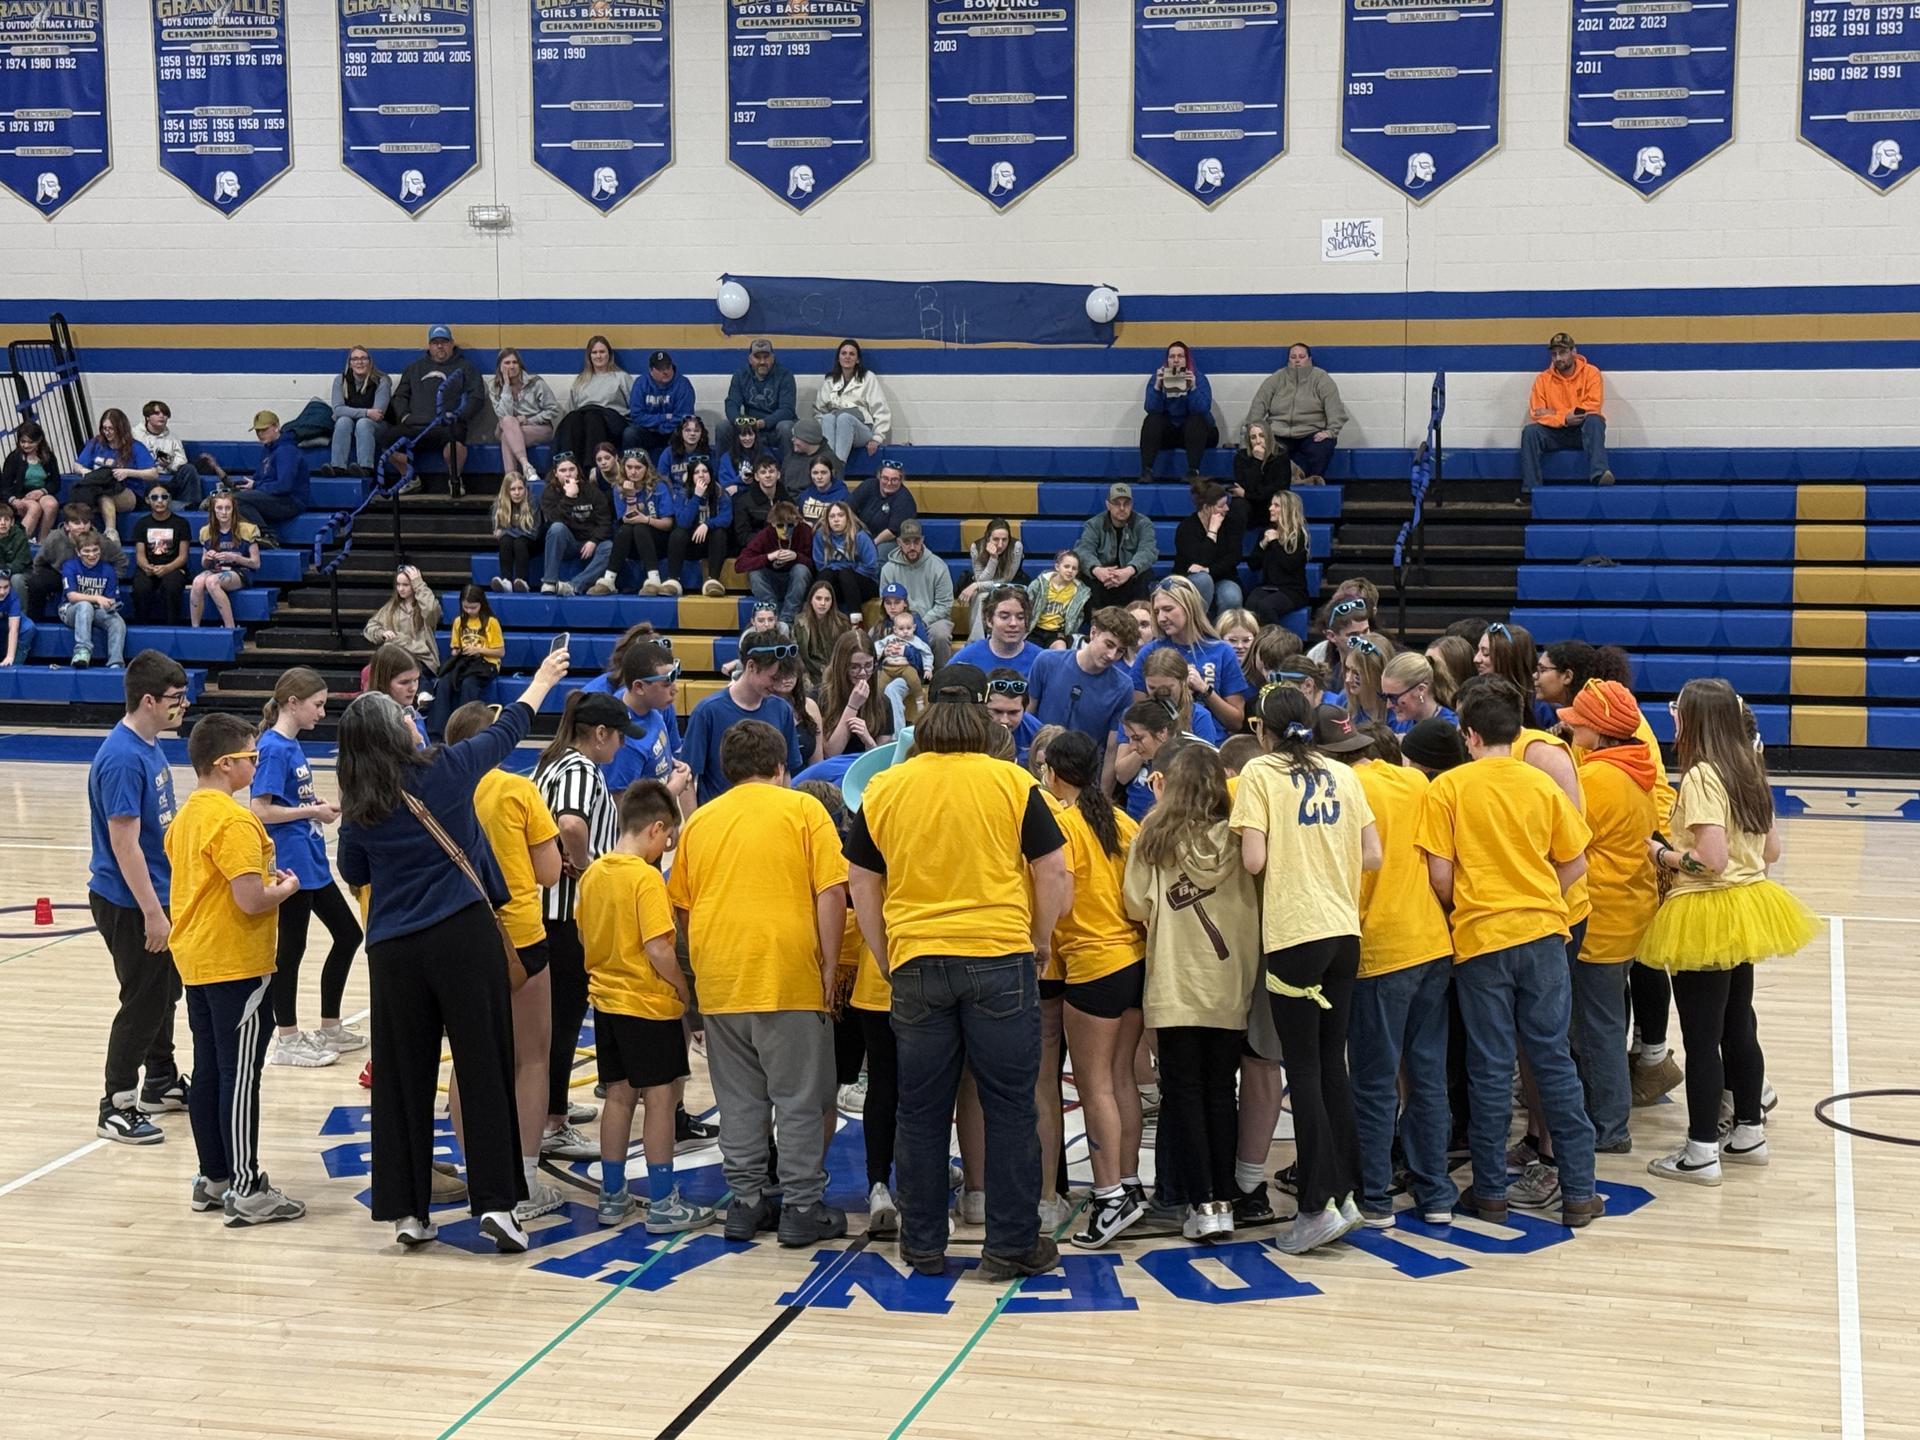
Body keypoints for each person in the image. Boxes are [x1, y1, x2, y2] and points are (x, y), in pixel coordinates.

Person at [336, 647, 571, 1252]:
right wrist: (542, 677)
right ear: (399, 733)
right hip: (463, 937)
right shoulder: (442, 771)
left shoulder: (361, 804)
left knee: (401, 1078)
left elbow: (351, 867)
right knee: (485, 1066)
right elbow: (508, 730)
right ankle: (495, 1205)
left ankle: (407, 1212)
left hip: (392, 949)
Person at [844, 664, 1072, 1280]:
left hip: (917, 960)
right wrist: (1041, 938)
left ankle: (922, 1245)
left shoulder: (886, 787)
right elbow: (1053, 870)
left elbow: (862, 880)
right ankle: (1011, 1245)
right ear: (979, 714)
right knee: (1009, 1107)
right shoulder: (1010, 780)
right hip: (1000, 956)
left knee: (919, 1110)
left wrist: (884, 948)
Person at [1413, 676, 1603, 1229]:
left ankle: (1490, 1192)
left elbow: (1442, 878)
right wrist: (1540, 896)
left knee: (1491, 1068)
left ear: (1469, 735)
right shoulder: (1541, 783)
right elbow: (1576, 861)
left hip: (1481, 941)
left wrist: (1479, 901)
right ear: (1515, 731)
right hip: (1544, 935)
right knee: (1553, 1063)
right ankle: (1579, 1192)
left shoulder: (1448, 789)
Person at [669, 721, 851, 1244]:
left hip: (722, 977)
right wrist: (828, 965)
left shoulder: (701, 822)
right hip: (789, 973)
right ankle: (800, 1207)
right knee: (800, 1100)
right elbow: (831, 892)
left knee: (740, 1101)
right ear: (779, 766)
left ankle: (745, 1204)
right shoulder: (803, 809)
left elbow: (682, 909)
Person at [1639, 680, 1816, 1186]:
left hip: (1704, 911)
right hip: (1748, 906)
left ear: (1693, 719)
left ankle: (1700, 1151)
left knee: (1701, 1038)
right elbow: (1772, 851)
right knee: (1739, 1026)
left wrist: (1662, 854)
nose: (1673, 717)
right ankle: (1749, 1133)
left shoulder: (1699, 776)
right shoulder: (1748, 768)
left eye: (1677, 709)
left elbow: (1711, 861)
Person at [1228, 692, 1380, 1253]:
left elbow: (1253, 861)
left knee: (1306, 1071)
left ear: (1261, 730)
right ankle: (1346, 1193)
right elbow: (1373, 856)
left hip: (1295, 933)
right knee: (1331, 1068)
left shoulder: (1259, 773)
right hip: (1344, 931)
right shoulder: (1343, 773)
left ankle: (1315, 1206)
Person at [166, 712, 305, 1225]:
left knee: (209, 1069)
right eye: (252, 757)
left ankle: (214, 1176)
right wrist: (285, 889)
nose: (258, 763)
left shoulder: (186, 816)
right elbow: (251, 900)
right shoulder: (234, 820)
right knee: (240, 1076)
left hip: (198, 959)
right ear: (226, 764)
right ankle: (247, 1187)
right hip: (236, 963)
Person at [1124, 743, 1260, 1241]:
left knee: (1182, 1094)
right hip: (1230, 982)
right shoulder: (1243, 836)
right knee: (1223, 1092)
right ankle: (1224, 1198)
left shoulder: (1153, 837)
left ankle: (1200, 1204)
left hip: (1177, 983)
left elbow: (1136, 905)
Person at [441, 701, 568, 1221]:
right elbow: (549, 873)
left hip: (456, 933)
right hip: (517, 935)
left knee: (466, 1061)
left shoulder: (438, 786)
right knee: (531, 1059)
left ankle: (480, 1177)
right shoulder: (518, 789)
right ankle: (525, 1180)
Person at [582, 779, 719, 1235]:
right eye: (668, 840)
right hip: (649, 1005)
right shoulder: (645, 878)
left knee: (619, 1098)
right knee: (660, 1101)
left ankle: (612, 1197)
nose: (666, 849)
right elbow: (660, 949)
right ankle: (663, 1203)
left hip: (606, 1002)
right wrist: (683, 993)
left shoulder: (593, 873)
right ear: (656, 829)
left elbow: (585, 936)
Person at [1038, 730, 1149, 1249]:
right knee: (1122, 1076)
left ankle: (1107, 1198)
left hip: (1093, 964)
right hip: (1136, 959)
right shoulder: (1123, 822)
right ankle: (1128, 1184)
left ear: (1053, 774)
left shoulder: (1061, 826)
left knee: (1093, 1084)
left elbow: (1059, 904)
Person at [1346, 721, 1457, 1228]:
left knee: (1373, 1082)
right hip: (1433, 942)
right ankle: (1435, 1193)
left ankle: (1374, 1197)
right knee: (1427, 1077)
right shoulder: (1414, 782)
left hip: (1381, 948)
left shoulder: (1343, 789)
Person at [1551, 678, 1659, 1156]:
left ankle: (1608, 1127)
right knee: (1610, 1018)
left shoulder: (1596, 780)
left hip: (1600, 916)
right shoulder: (1636, 769)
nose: (1569, 731)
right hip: (1630, 912)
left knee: (1595, 1029)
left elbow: (1565, 839)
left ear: (1598, 732)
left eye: (1577, 726)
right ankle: (1611, 1115)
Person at [90, 651, 192, 1144]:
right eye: (176, 699)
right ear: (148, 700)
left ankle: (160, 1081)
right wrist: (154, 912)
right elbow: (124, 843)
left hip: (157, 891)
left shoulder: (150, 744)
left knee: (165, 993)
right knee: (143, 1000)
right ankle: (116, 1102)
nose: (184, 706)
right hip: (131, 901)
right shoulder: (123, 757)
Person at [531, 692, 631, 1164]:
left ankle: (550, 1106)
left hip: (545, 911)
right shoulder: (580, 769)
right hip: (563, 915)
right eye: (617, 740)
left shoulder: (550, 762)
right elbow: (571, 823)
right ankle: (552, 1122)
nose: (618, 750)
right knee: (563, 1019)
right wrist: (587, 865)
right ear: (599, 734)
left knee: (553, 1018)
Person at [253, 667, 364, 1068]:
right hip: (290, 866)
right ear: (293, 703)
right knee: (292, 950)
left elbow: (291, 800)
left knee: (349, 934)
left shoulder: (292, 745)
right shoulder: (272, 748)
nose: (322, 712)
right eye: (317, 705)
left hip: (311, 858)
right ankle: (286, 1038)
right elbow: (259, 810)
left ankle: (329, 1025)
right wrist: (309, 810)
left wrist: (315, 806)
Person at [682, 628, 807, 803]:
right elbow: (687, 778)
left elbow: (785, 772)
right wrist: (692, 827)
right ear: (751, 666)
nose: (778, 685)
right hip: (722, 820)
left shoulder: (781, 709)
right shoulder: (708, 712)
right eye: (773, 678)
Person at [1135, 575, 1252, 733]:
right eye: (1156, 612)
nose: (1161, 618)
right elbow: (1138, 716)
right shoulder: (1149, 653)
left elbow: (1236, 722)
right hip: (1166, 743)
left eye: (1168, 609)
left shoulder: (1222, 651)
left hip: (1213, 744)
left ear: (1189, 607)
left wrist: (1204, 689)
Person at [378, 325, 485, 498]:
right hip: (415, 427)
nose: (440, 346)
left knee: (456, 443)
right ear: (429, 345)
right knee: (386, 440)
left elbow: (477, 397)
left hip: (447, 427)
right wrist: (404, 416)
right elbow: (400, 396)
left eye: (444, 342)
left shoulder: (466, 368)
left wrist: (459, 415)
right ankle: (411, 478)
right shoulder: (414, 368)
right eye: (435, 343)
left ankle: (455, 480)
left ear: (452, 343)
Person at [1028, 605, 1141, 760]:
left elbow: (1111, 748)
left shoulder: (1123, 686)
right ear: (1093, 633)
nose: (1112, 655)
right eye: (1109, 644)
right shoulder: (1047, 661)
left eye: (1120, 651)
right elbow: (1028, 715)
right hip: (1039, 760)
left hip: (1083, 770)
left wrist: (1104, 785)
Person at [1520, 332, 1613, 495]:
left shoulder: (1591, 373)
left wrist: (1554, 412)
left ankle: (1599, 474)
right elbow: (1537, 412)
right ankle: (1531, 491)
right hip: (1555, 433)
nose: (1558, 358)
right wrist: (1564, 417)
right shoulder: (1542, 379)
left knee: (1595, 420)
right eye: (1554, 354)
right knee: (1530, 432)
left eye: (1562, 353)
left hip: (1582, 432)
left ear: (1574, 352)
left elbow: (1592, 405)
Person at [1241, 342, 1348, 483]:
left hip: (1311, 433)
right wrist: (1252, 428)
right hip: (1278, 432)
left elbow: (1335, 410)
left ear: (1309, 359)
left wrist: (1330, 432)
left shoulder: (1322, 379)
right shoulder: (1276, 378)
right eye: (1293, 357)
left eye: (1301, 356)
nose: (1297, 360)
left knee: (1324, 446)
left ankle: (1310, 481)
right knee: (1262, 446)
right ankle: (1281, 481)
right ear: (1288, 359)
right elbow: (1259, 404)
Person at [428, 585, 505, 739]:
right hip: (465, 662)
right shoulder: (459, 622)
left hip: (486, 664)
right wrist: (458, 652)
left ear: (481, 604)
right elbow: (455, 649)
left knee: (469, 684)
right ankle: (436, 733)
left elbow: (500, 652)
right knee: (444, 683)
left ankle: (466, 731)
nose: (469, 611)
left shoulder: (491, 622)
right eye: (466, 607)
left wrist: (479, 650)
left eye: (473, 607)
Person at [878, 518, 955, 663]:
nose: (912, 546)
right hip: (899, 621)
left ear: (922, 541)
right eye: (907, 542)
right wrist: (903, 624)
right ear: (899, 542)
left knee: (941, 634)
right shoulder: (888, 569)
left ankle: (940, 679)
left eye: (916, 542)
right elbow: (886, 603)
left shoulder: (938, 566)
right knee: (877, 632)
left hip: (931, 622)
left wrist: (920, 623)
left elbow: (944, 605)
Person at [1140, 340, 1217, 483]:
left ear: (1186, 359)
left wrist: (1192, 388)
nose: (1176, 360)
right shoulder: (1157, 377)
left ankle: (1193, 471)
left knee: (1196, 420)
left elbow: (1203, 409)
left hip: (1198, 432)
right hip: (1171, 432)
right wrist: (1157, 386)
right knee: (1152, 420)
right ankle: (1147, 470)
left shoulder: (1199, 378)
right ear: (1167, 360)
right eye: (1172, 356)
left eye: (1180, 356)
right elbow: (1150, 408)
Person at [538, 453, 614, 596]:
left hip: (590, 544)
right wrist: (569, 498)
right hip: (567, 543)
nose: (568, 474)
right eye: (563, 470)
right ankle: (549, 581)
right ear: (555, 473)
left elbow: (605, 522)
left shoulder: (592, 491)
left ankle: (574, 585)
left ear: (577, 470)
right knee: (557, 528)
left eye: (571, 469)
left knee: (609, 547)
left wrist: (594, 540)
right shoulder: (550, 493)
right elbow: (553, 519)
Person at [73, 407, 158, 534]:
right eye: (104, 428)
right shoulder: (96, 443)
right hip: (97, 488)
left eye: (111, 429)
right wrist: (86, 472)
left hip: (128, 491)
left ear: (120, 428)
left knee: (105, 497)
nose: (107, 432)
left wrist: (128, 472)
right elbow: (77, 465)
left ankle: (111, 532)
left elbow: (153, 473)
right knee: (88, 494)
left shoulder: (135, 447)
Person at [1074, 483, 1158, 611]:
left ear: (1132, 504)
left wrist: (1129, 571)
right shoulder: (1094, 524)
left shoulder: (1143, 523)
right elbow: (1083, 550)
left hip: (1130, 577)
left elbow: (1148, 551)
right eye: (1117, 503)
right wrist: (1097, 570)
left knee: (1145, 574)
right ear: (1108, 505)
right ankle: (1095, 621)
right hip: (1103, 578)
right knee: (1086, 575)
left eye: (1126, 503)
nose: (1122, 508)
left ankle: (1139, 620)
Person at [1172, 481, 1246, 617]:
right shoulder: (1186, 528)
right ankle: (1198, 631)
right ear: (1206, 508)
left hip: (1223, 576)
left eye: (1226, 504)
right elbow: (1198, 561)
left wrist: (1209, 570)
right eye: (1221, 506)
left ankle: (1224, 635)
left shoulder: (1231, 523)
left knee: (1232, 597)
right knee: (1203, 580)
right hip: (1191, 579)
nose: (1227, 509)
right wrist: (1212, 532)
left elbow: (1234, 556)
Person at [737, 499, 814, 627]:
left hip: (796, 584)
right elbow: (740, 564)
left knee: (801, 569)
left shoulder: (804, 530)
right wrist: (769, 557)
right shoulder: (765, 534)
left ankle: (786, 620)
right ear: (772, 524)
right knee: (754, 573)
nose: (785, 530)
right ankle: (771, 614)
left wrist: (797, 557)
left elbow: (814, 565)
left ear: (797, 522)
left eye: (790, 525)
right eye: (780, 525)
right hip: (772, 582)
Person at [190, 493, 261, 631]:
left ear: (233, 509)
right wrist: (208, 558)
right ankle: (195, 628)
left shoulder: (247, 529)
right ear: (214, 510)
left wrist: (235, 558)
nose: (224, 512)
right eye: (220, 508)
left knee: (212, 582)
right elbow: (204, 564)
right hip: (217, 568)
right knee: (197, 582)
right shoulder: (207, 531)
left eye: (228, 508)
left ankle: (230, 627)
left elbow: (256, 563)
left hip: (240, 571)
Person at [555, 335, 631, 462]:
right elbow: (572, 408)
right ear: (589, 356)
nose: (598, 356)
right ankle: (567, 466)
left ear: (609, 355)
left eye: (602, 352)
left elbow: (632, 407)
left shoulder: (621, 377)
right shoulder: (581, 380)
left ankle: (593, 469)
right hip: (584, 423)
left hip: (612, 423)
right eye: (594, 352)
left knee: (593, 417)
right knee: (572, 419)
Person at [362, 564, 440, 689]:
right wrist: (381, 633)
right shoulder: (391, 608)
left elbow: (431, 609)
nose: (401, 589)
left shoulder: (423, 607)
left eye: (406, 585)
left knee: (411, 671)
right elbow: (370, 627)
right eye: (398, 585)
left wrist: (419, 584)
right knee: (370, 671)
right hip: (396, 657)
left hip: (421, 657)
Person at [814, 338, 892, 462]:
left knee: (844, 418)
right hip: (834, 427)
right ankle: (829, 467)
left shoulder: (868, 378)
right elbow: (818, 412)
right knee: (827, 418)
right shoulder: (829, 380)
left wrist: (877, 437)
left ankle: (837, 468)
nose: (847, 357)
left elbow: (880, 409)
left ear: (858, 360)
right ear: (838, 358)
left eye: (852, 354)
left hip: (861, 429)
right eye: (843, 353)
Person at [720, 337, 798, 458]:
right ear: (750, 359)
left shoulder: (785, 376)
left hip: (774, 427)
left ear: (773, 358)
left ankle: (789, 472)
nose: (762, 361)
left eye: (766, 357)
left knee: (786, 427)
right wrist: (739, 421)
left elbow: (787, 410)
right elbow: (731, 403)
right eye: (757, 357)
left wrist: (763, 423)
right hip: (748, 428)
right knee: (723, 426)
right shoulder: (740, 375)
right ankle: (722, 472)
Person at [819, 631, 894, 758]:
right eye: (854, 667)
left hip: (866, 766)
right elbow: (830, 753)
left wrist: (868, 741)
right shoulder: (820, 696)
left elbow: (882, 759)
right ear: (841, 666)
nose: (863, 673)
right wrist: (853, 706)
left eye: (869, 665)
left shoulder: (883, 701)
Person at [491, 346, 559, 485]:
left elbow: (553, 409)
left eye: (515, 362)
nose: (512, 366)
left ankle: (511, 482)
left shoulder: (535, 383)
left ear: (520, 364)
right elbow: (504, 414)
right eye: (507, 363)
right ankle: (526, 465)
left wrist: (529, 420)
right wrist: (506, 386)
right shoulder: (495, 387)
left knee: (506, 437)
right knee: (508, 422)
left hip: (539, 428)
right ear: (500, 367)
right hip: (509, 426)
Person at [61, 529, 127, 668]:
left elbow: (110, 598)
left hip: (97, 611)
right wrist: (97, 598)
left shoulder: (108, 570)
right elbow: (72, 596)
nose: (91, 555)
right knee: (85, 605)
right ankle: (82, 651)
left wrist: (111, 604)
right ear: (78, 552)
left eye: (95, 550)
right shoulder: (70, 566)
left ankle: (115, 662)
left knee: (117, 621)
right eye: (86, 551)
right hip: (70, 610)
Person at [952, 584, 1045, 682]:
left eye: (1020, 617)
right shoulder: (966, 658)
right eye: (1004, 617)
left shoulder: (1042, 660)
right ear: (989, 619)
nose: (1013, 623)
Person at [1246, 490, 1312, 629]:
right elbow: (1253, 564)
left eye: (1276, 505)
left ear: (1287, 510)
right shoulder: (1267, 532)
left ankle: (1276, 645)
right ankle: (1253, 645)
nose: (1271, 508)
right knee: (1250, 604)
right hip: (1268, 586)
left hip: (1292, 590)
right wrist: (1263, 545)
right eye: (1271, 505)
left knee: (1266, 607)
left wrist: (1275, 542)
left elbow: (1289, 565)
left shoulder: (1299, 536)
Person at [669, 454, 732, 598]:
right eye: (697, 472)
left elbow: (726, 519)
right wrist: (696, 496)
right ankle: (673, 580)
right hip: (690, 544)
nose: (701, 475)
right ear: (691, 476)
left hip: (712, 545)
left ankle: (713, 581)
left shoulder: (721, 492)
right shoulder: (682, 493)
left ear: (711, 474)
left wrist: (707, 525)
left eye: (705, 471)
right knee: (677, 533)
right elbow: (683, 522)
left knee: (720, 532)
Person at [129, 485, 192, 624]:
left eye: (164, 497)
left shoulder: (181, 523)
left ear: (169, 499)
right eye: (154, 497)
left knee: (171, 585)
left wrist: (167, 568)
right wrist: (147, 567)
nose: (159, 501)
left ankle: (172, 626)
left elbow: (183, 556)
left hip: (174, 568)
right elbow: (140, 555)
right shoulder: (142, 524)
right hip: (149, 568)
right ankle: (141, 626)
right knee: (141, 587)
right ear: (147, 500)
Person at [327, 346, 389, 478]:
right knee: (343, 421)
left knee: (363, 423)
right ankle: (337, 467)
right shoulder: (340, 380)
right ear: (350, 363)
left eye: (363, 358)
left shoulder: (382, 380)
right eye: (355, 359)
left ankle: (366, 468)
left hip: (378, 426)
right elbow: (338, 410)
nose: (359, 362)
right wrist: (366, 412)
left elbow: (378, 414)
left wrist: (354, 413)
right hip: (351, 423)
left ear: (369, 361)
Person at [960, 518, 1026, 641]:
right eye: (996, 539)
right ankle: (976, 642)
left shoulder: (1016, 547)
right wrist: (993, 558)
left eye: (1004, 540)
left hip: (1011, 586)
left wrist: (976, 586)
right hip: (986, 588)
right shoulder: (976, 547)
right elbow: (980, 578)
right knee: (981, 596)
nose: (1000, 544)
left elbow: (1006, 580)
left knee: (981, 593)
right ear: (988, 538)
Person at [812, 500, 879, 620]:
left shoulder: (860, 536)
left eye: (840, 515)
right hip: (836, 583)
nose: (836, 519)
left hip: (864, 584)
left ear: (848, 517)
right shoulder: (820, 535)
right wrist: (839, 568)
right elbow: (820, 565)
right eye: (832, 516)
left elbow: (871, 567)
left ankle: (856, 621)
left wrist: (845, 568)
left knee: (845, 574)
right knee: (825, 575)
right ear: (827, 520)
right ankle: (819, 619)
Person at [623, 348, 694, 455]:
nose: (665, 372)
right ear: (651, 370)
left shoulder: (683, 385)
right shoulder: (641, 384)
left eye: (668, 367)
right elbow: (637, 416)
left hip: (672, 432)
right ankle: (629, 466)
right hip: (648, 431)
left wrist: (662, 428)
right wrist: (665, 417)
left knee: (684, 433)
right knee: (630, 433)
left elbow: (683, 417)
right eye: (660, 369)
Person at [1, 418, 63, 540]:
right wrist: (13, 500)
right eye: (23, 442)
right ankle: (19, 542)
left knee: (51, 504)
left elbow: (56, 482)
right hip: (19, 496)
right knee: (34, 508)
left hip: (41, 492)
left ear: (39, 440)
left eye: (30, 442)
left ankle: (42, 541)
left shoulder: (48, 457)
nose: (26, 445)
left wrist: (42, 491)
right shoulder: (14, 458)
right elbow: (4, 486)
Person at [138, 400, 204, 506]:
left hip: (168, 479)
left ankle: (190, 506)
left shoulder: (173, 438)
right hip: (145, 479)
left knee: (189, 469)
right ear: (147, 417)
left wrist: (169, 464)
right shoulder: (135, 436)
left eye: (165, 414)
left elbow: (182, 461)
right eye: (157, 413)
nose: (162, 416)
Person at [852, 459, 917, 562]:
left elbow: (892, 531)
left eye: (894, 480)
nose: (889, 483)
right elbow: (848, 508)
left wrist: (872, 544)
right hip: (861, 534)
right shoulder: (868, 485)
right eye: (885, 478)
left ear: (901, 480)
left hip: (889, 541)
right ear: (879, 477)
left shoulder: (904, 499)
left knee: (878, 553)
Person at [1379, 651, 1458, 734]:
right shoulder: (1399, 724)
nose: (1388, 705)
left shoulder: (1450, 729)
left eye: (1393, 697)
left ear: (1421, 690)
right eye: (1384, 697)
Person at [1025, 549, 1089, 649]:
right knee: (1031, 651)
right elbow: (1025, 606)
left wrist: (1069, 633)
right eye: (1066, 566)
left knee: (1060, 651)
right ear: (1057, 567)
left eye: (1074, 568)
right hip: (1035, 629)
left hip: (1057, 633)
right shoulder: (1039, 584)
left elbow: (1079, 617)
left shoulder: (1081, 593)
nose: (1070, 571)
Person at [794, 576, 851, 687]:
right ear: (811, 600)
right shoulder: (799, 622)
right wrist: (805, 677)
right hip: (810, 676)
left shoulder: (842, 622)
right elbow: (797, 656)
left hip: (836, 674)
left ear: (832, 602)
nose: (823, 603)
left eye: (827, 599)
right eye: (818, 598)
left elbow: (846, 653)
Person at [489, 472, 539, 593]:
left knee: (519, 542)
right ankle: (506, 581)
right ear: (507, 491)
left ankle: (523, 582)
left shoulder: (532, 501)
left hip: (532, 544)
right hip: (510, 544)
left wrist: (506, 531)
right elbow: (497, 533)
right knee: (505, 541)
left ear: (525, 489)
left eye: (520, 488)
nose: (517, 492)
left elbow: (532, 532)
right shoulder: (500, 504)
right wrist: (510, 532)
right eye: (512, 489)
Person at [732, 452, 787, 551]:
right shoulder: (744, 502)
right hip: (756, 551)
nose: (768, 475)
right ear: (756, 477)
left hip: (784, 551)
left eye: (771, 471)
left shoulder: (786, 500)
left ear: (778, 475)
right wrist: (769, 542)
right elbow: (743, 536)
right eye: (763, 472)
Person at [1232, 422, 1290, 515]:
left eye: (1262, 436)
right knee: (1238, 505)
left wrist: (1246, 494)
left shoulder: (1280, 456)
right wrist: (1257, 461)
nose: (1258, 441)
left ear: (1269, 437)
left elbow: (1279, 489)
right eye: (1253, 437)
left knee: (1280, 502)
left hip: (1271, 503)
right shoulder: (1241, 457)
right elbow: (1247, 486)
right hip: (1250, 505)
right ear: (1249, 441)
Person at [1341, 633, 1397, 729]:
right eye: (1347, 669)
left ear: (1378, 674)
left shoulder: (1398, 711)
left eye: (1356, 673)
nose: (1348, 679)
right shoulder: (1343, 700)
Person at [783, 415, 842, 495]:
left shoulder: (829, 460)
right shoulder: (791, 456)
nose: (792, 440)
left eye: (796, 437)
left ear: (807, 439)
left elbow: (834, 491)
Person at [797, 455, 852, 529]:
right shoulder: (805, 495)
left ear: (832, 473)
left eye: (823, 472)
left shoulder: (843, 495)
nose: (819, 477)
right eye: (815, 473)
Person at [0, 568, 31, 667]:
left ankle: (14, 665)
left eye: (6, 587)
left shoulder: (13, 596)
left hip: (7, 618)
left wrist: (10, 656)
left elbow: (14, 629)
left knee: (29, 628)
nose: (2, 592)